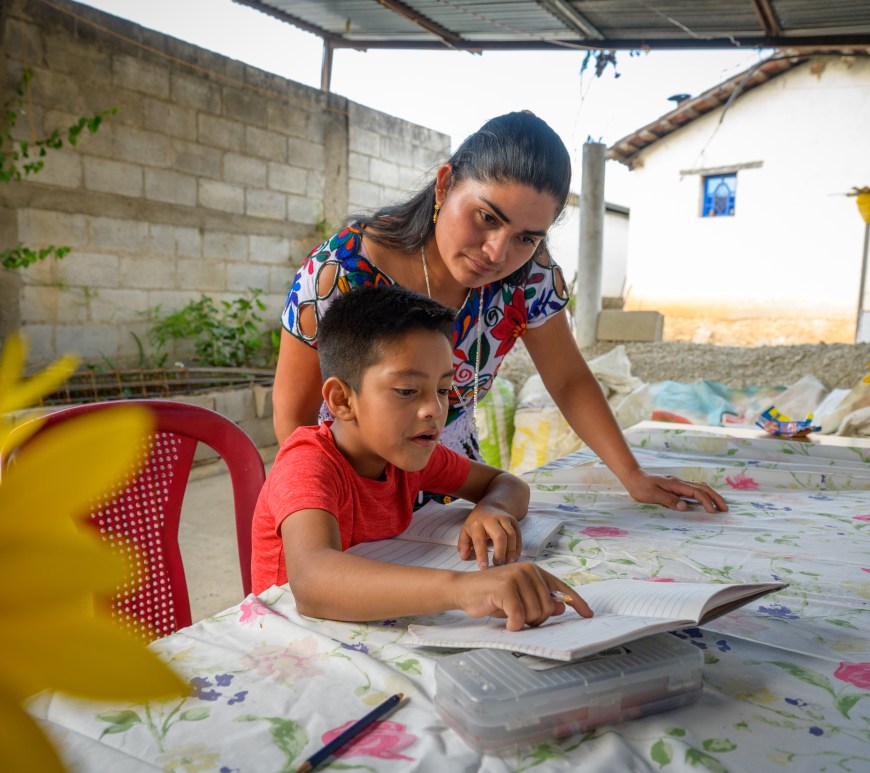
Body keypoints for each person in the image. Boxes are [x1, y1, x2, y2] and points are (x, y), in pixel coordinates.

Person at [273, 110, 727, 515]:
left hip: (452, 486)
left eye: (527, 238)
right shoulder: (340, 271)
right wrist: (346, 506)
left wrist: (632, 475)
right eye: (487, 217)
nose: (497, 252)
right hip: (349, 491)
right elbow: (293, 419)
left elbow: (568, 379)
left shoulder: (531, 277)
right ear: (445, 184)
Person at [251, 285, 592, 630]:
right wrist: (464, 589)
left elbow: (505, 483)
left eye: (443, 390)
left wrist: (493, 508)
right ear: (342, 400)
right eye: (407, 391)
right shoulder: (307, 463)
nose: (434, 409)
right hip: (289, 639)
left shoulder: (406, 454)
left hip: (366, 631)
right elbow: (313, 583)